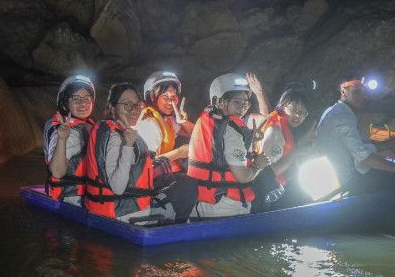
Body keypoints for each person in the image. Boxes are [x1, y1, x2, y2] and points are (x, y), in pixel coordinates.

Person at [84, 82, 197, 224]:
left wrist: (182, 121)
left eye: (137, 105)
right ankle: (172, 232)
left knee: (181, 181)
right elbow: (118, 187)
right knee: (188, 186)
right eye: (127, 104)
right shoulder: (117, 137)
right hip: (126, 214)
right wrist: (128, 145)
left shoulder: (107, 128)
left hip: (112, 206)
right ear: (113, 108)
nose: (134, 110)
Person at [187, 73, 272, 218]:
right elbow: (243, 177)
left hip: (202, 202)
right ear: (219, 101)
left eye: (245, 103)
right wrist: (258, 165)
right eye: (236, 102)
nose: (242, 107)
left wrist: (252, 142)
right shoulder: (231, 129)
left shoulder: (206, 120)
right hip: (226, 205)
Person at [313, 77, 395, 196]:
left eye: (364, 92)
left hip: (329, 176)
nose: (362, 96)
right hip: (340, 181)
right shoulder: (341, 117)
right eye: (356, 91)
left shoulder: (335, 111)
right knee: (394, 179)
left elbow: (362, 147)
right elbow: (364, 157)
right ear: (343, 91)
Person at [248, 88, 316, 210]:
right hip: (263, 194)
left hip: (270, 191)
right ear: (281, 107)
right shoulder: (276, 131)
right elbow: (269, 172)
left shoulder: (284, 128)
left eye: (303, 112)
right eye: (293, 109)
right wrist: (297, 152)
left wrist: (300, 144)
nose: (297, 115)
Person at [42, 74, 97, 205]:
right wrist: (62, 139)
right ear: (65, 103)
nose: (83, 103)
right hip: (71, 198)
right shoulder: (64, 130)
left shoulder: (89, 126)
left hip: (90, 192)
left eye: (87, 98)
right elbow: (57, 172)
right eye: (75, 99)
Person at [135, 70, 194, 170]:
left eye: (174, 96)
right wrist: (179, 153)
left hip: (162, 175)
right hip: (149, 180)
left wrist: (182, 121)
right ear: (152, 97)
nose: (170, 101)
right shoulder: (148, 123)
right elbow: (147, 164)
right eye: (165, 96)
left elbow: (196, 134)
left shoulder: (167, 119)